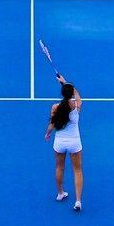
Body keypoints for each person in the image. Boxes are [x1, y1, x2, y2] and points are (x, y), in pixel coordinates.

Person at [44, 73, 83, 211]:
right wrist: (65, 82)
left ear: (61, 94)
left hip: (60, 143)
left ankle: (60, 193)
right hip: (75, 143)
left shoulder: (55, 107)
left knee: (59, 167)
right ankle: (78, 201)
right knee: (77, 170)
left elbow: (52, 124)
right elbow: (76, 94)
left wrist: (47, 134)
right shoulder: (77, 105)